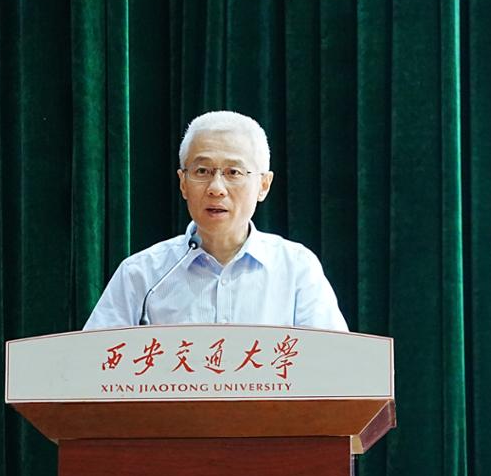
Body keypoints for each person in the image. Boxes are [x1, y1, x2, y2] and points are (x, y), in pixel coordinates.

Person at [82, 111, 348, 331]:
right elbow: (92, 364)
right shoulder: (142, 275)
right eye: (202, 171)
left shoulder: (296, 268)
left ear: (263, 185)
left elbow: (334, 365)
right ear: (183, 183)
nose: (216, 188)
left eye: (233, 172)